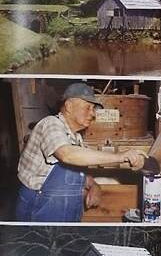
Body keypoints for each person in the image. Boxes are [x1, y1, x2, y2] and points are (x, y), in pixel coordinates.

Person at [16, 82, 146, 222]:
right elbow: (67, 155)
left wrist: (93, 186)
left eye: (94, 109)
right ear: (69, 105)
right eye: (88, 107)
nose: (93, 113)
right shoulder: (51, 124)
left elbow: (74, 172)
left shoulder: (76, 137)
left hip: (66, 210)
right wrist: (120, 156)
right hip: (40, 208)